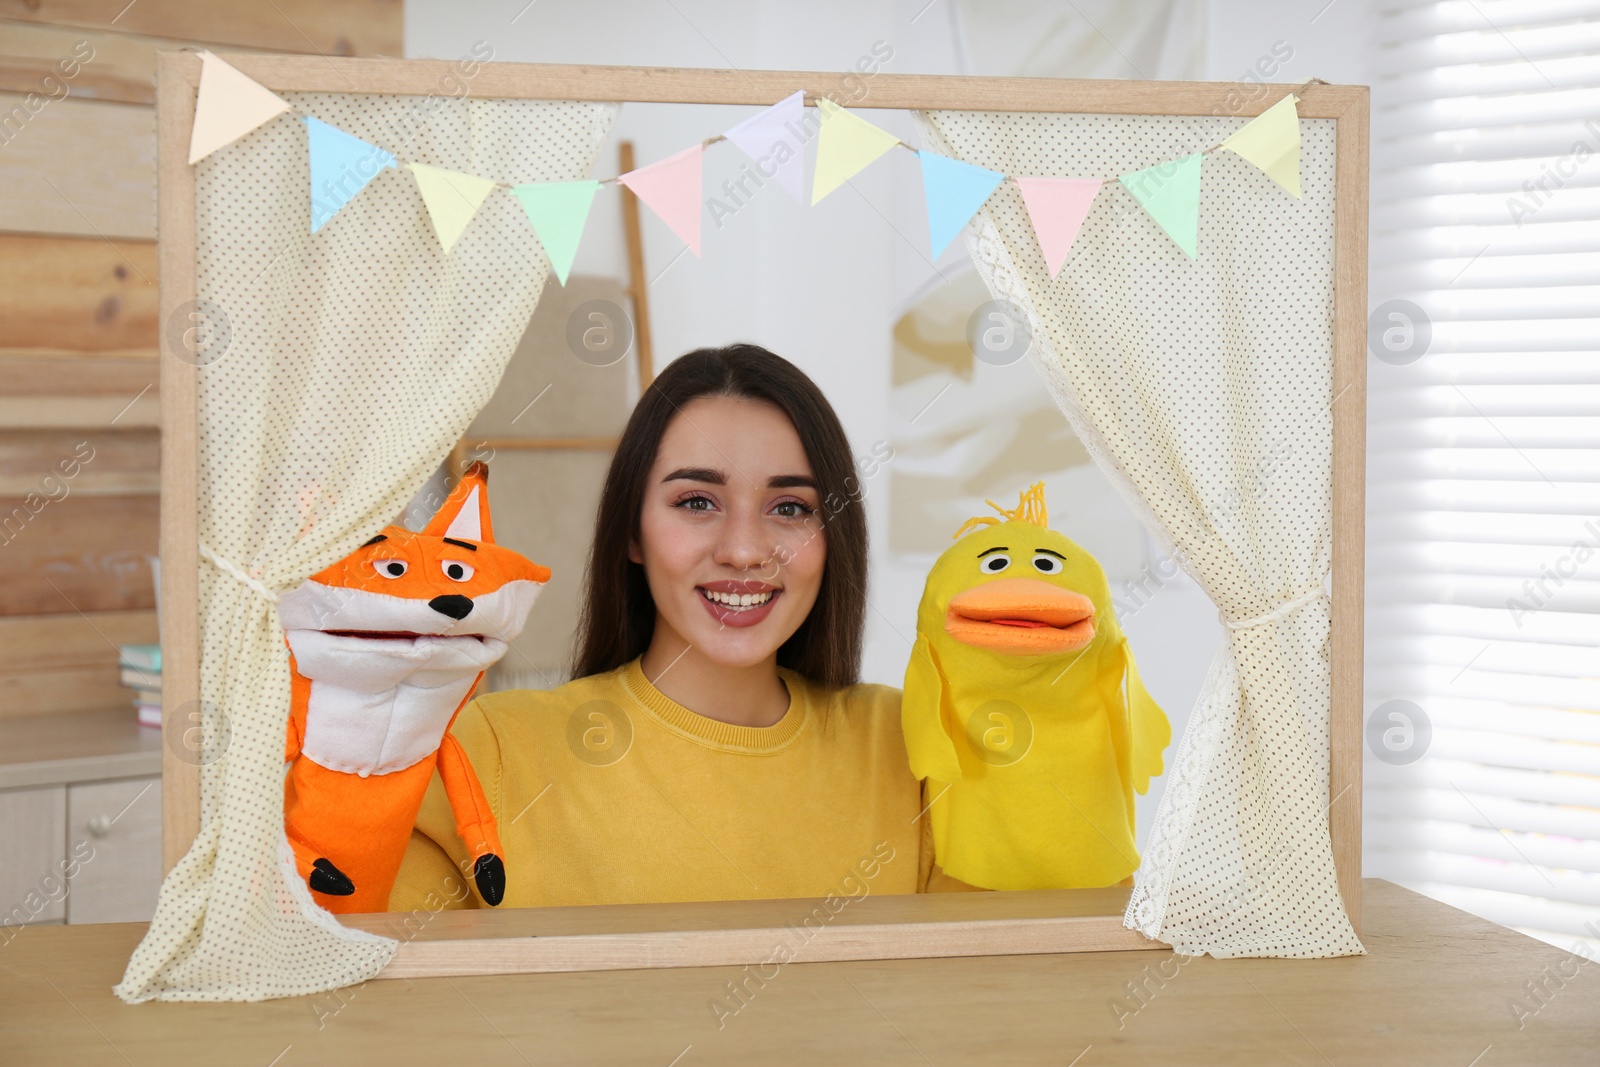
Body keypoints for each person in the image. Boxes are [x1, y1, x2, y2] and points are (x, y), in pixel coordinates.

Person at [389, 343, 971, 911]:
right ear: (632, 532)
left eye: (790, 507)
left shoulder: (913, 748)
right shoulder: (488, 751)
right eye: (697, 502)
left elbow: (997, 981)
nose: (744, 551)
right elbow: (371, 971)